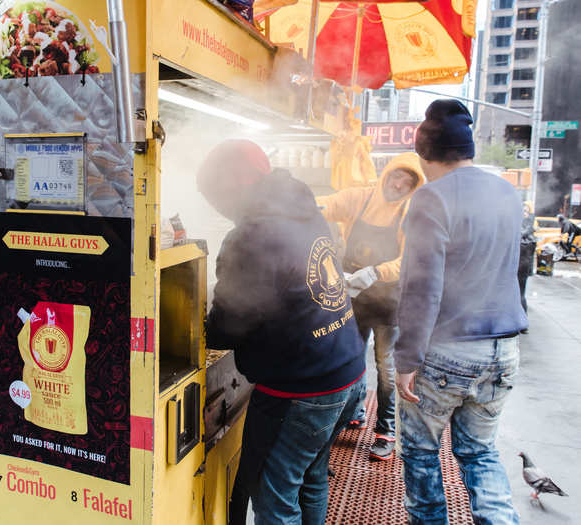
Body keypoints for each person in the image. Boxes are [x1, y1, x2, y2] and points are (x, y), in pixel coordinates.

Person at [199, 140, 366, 525]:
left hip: (300, 389)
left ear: (235, 184)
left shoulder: (251, 236)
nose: (218, 207)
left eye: (215, 195)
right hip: (347, 370)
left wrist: (205, 320)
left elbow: (227, 326)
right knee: (310, 477)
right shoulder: (302, 207)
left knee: (274, 495)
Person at [394, 100, 527, 524]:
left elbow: (422, 287)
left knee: (420, 453)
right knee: (480, 454)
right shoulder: (507, 192)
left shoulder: (431, 198)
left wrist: (406, 359)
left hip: (449, 350)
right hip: (503, 351)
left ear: (426, 155)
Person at [316, 153, 425, 461]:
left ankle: (386, 430)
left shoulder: (410, 214)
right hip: (352, 293)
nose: (399, 184)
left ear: (413, 187)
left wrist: (375, 272)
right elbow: (326, 205)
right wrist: (294, 204)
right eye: (396, 177)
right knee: (351, 356)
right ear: (386, 174)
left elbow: (411, 260)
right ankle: (355, 409)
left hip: (388, 301)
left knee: (386, 367)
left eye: (408, 182)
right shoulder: (360, 198)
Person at [518, 201, 537, 314]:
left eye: (526, 211)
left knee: (520, 294)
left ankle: (523, 319)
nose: (524, 213)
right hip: (520, 267)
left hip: (522, 267)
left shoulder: (528, 229)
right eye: (522, 210)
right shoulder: (523, 226)